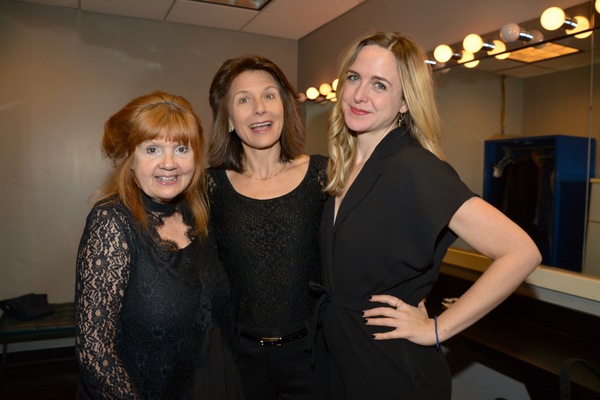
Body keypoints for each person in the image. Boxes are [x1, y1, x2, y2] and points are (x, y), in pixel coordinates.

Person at [319, 32, 542, 399]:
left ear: (405, 101)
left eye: (380, 84)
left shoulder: (414, 167)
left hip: (392, 370)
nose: (360, 95)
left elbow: (521, 252)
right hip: (344, 360)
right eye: (354, 78)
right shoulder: (346, 166)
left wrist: (436, 329)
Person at [74, 91, 243, 399]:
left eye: (181, 148)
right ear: (129, 157)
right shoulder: (112, 222)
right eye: (152, 149)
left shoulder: (199, 214)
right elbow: (94, 350)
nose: (169, 163)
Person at [206, 54, 329, 400]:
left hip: (311, 358)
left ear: (285, 108)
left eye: (269, 95)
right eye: (243, 100)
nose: (259, 108)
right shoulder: (209, 188)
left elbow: (369, 245)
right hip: (238, 360)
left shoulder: (325, 175)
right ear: (229, 119)